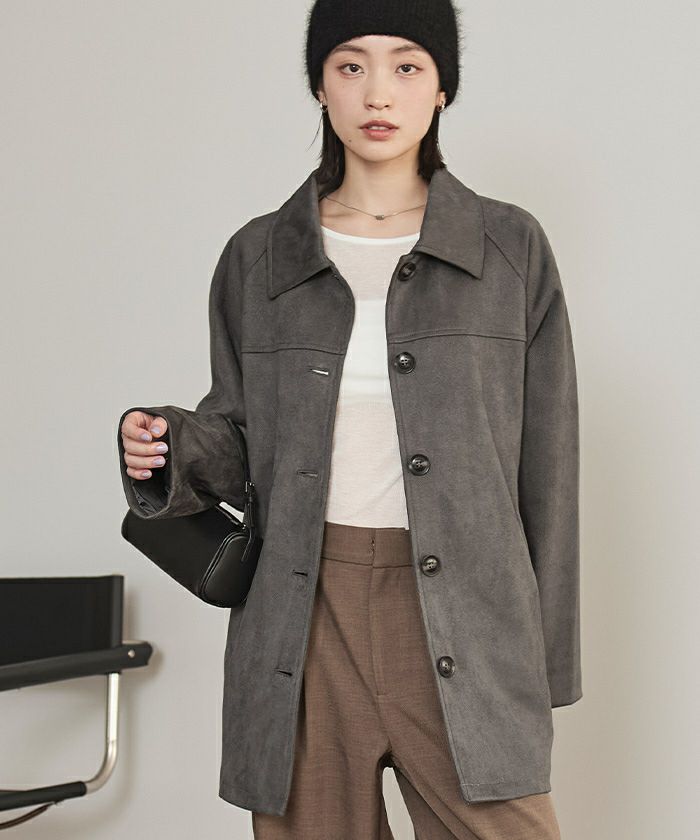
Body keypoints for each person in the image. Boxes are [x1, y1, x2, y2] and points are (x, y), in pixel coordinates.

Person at [118, 1, 580, 837]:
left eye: (406, 65)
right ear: (320, 86)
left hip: (467, 611)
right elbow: (239, 433)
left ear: (442, 88)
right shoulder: (259, 256)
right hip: (304, 612)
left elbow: (548, 465)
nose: (378, 92)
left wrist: (542, 658)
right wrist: (167, 442)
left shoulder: (510, 250)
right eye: (351, 65)